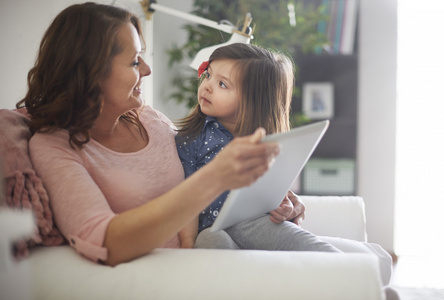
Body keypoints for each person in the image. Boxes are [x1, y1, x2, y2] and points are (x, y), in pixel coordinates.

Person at [16, 2, 282, 267]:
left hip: (207, 265)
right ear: (90, 73)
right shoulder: (54, 147)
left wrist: (270, 195)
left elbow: (209, 162)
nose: (147, 69)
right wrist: (212, 178)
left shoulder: (150, 120)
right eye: (134, 61)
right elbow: (105, 242)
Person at [176, 43, 340, 252]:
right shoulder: (192, 139)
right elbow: (186, 198)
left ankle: (356, 275)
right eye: (208, 75)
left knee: (313, 248)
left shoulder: (265, 142)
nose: (206, 86)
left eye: (222, 85)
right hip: (211, 229)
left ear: (251, 101)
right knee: (211, 242)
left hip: (253, 222)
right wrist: (187, 248)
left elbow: (274, 191)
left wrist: (287, 205)